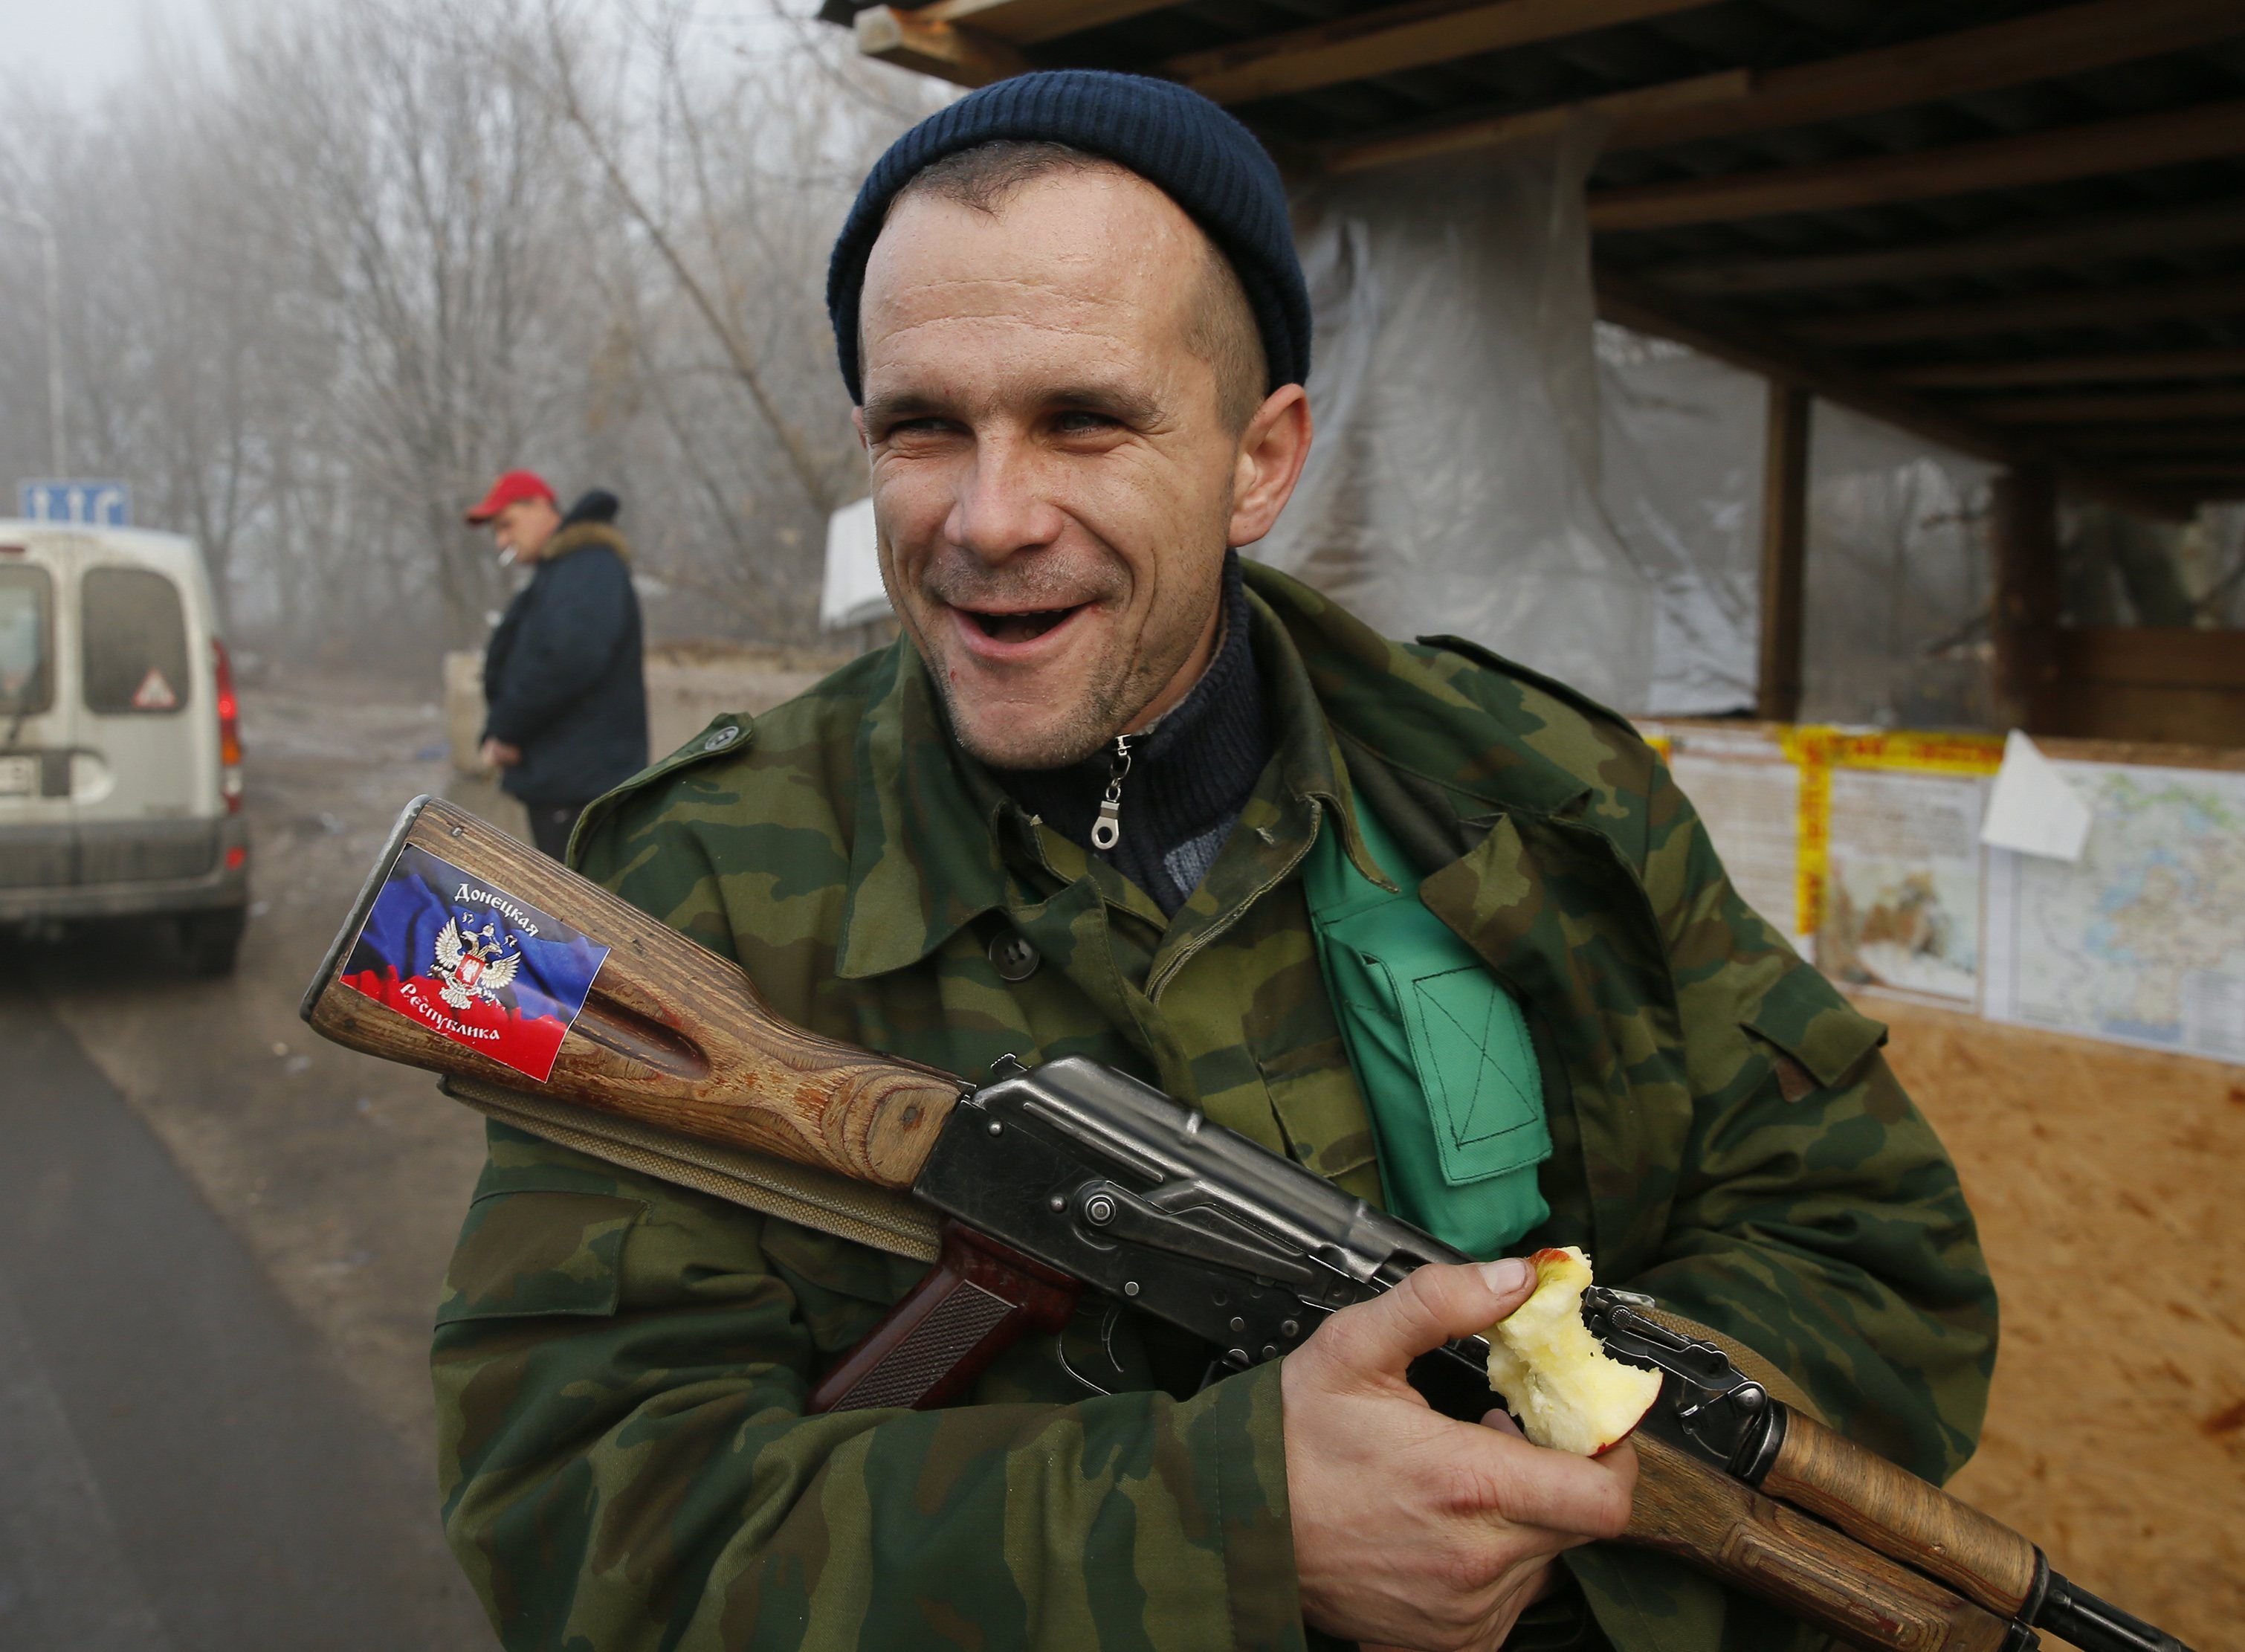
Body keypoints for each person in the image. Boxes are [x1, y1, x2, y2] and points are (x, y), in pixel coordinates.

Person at [433, 72, 1994, 1652]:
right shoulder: (670, 886)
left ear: (1261, 459)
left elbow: (1878, 1263)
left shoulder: (1537, 792)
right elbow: (585, 1527)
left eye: (1083, 420)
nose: (987, 517)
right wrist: (1228, 1526)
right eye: (924, 428)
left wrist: (1553, 1523)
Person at [464, 471, 648, 861]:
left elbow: (571, 657)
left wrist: (507, 729)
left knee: (578, 910)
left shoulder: (588, 567)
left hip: (581, 785)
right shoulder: (565, 572)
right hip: (565, 779)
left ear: (540, 506)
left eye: (506, 525)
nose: (502, 541)